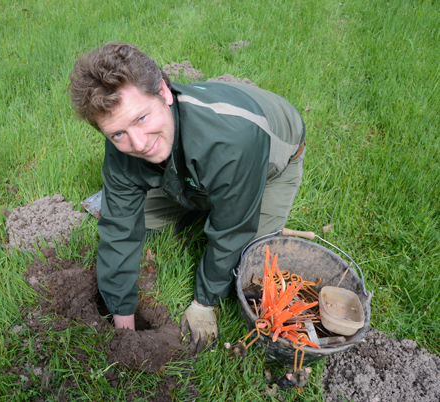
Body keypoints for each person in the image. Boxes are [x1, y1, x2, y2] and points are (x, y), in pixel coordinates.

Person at [68, 42, 306, 353]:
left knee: (247, 263)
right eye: (117, 134)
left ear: (164, 93)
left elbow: (232, 231)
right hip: (194, 153)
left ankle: (208, 191)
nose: (138, 143)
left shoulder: (233, 142)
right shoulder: (125, 139)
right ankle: (197, 189)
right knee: (134, 219)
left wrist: (204, 302)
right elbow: (119, 233)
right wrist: (123, 322)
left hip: (270, 159)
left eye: (141, 118)